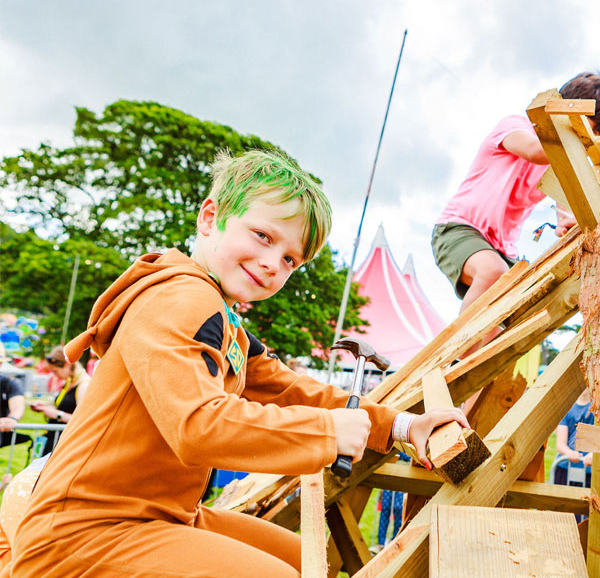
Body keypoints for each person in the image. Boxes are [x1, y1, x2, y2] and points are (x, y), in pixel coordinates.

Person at [12, 150, 468, 578]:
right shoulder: (179, 297)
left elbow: (289, 388)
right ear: (211, 218)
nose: (273, 263)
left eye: (290, 258)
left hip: (161, 514)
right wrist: (328, 432)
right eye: (263, 236)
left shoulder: (222, 320)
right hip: (85, 529)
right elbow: (197, 425)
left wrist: (403, 426)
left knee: (309, 559)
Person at [432, 72, 600, 314]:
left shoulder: (558, 162)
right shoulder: (515, 126)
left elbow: (565, 210)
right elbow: (534, 150)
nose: (582, 141)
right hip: (460, 228)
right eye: (581, 131)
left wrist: (569, 223)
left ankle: (479, 351)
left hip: (502, 249)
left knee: (517, 312)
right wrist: (578, 140)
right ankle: (457, 352)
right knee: (492, 273)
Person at [30, 345, 90, 455]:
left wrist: (57, 414)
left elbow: (84, 421)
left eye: (55, 371)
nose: (55, 375)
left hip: (66, 445)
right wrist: (45, 407)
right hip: (55, 440)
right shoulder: (70, 382)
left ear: (67, 365)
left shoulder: (84, 386)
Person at [554, 387, 593, 489]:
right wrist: (569, 453)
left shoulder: (596, 409)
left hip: (591, 470)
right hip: (566, 468)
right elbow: (560, 444)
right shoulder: (566, 408)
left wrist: (594, 455)